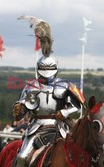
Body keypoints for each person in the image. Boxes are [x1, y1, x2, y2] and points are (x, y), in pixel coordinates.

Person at [12, 18, 82, 166]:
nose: (46, 72)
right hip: (37, 127)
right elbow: (21, 111)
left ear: (56, 68)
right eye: (44, 69)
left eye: (49, 69)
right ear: (38, 69)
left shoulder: (65, 86)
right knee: (23, 158)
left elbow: (78, 109)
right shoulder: (31, 86)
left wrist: (64, 113)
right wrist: (19, 109)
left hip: (61, 127)